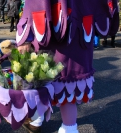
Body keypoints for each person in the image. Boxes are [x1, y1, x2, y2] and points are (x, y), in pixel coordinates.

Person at [16, 0, 119, 133]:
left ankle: (40, 121)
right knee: (65, 84)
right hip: (79, 25)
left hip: (50, 25)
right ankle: (66, 127)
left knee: (45, 79)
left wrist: (26, 33)